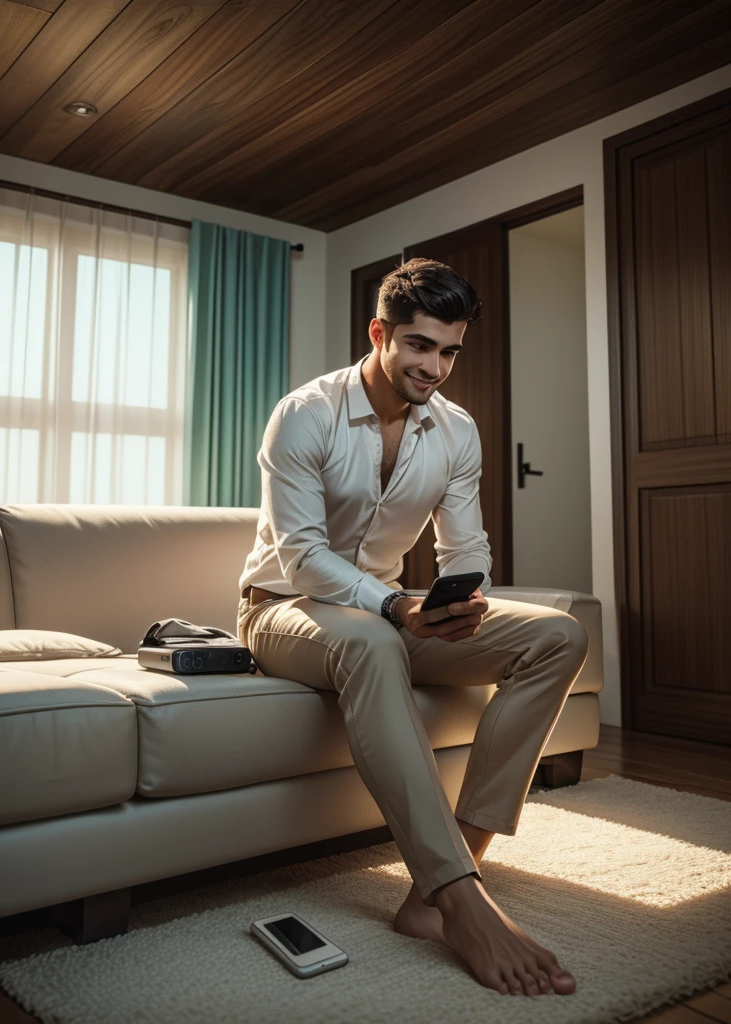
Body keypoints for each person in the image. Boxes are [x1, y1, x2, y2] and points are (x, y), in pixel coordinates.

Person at [237, 258, 588, 996]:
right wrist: (395, 606)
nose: (436, 366)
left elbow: (466, 549)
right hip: (282, 611)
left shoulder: (455, 430)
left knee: (558, 635)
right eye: (421, 345)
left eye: (450, 349)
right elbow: (301, 559)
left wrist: (465, 603)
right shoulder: (305, 412)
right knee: (367, 636)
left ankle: (441, 883)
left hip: (392, 612)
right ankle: (461, 900)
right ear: (380, 334)